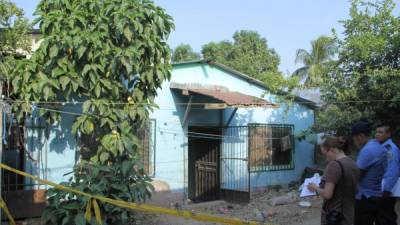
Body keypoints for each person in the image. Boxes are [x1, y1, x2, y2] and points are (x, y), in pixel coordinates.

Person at [308, 136, 359, 225]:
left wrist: (315, 188)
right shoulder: (353, 163)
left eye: (325, 153)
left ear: (332, 149)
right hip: (350, 214)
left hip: (335, 216)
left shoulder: (334, 165)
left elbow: (327, 194)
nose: (326, 158)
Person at [352, 121, 387, 225]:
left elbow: (356, 174)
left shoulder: (368, 150)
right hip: (376, 194)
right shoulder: (378, 146)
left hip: (366, 198)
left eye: (354, 139)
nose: (354, 142)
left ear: (360, 136)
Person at [375, 124, 399, 224]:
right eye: (376, 132)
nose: (377, 134)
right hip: (380, 188)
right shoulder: (381, 147)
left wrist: (387, 190)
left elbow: (392, 171)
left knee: (386, 217)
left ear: (388, 134)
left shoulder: (391, 149)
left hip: (386, 190)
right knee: (381, 216)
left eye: (380, 132)